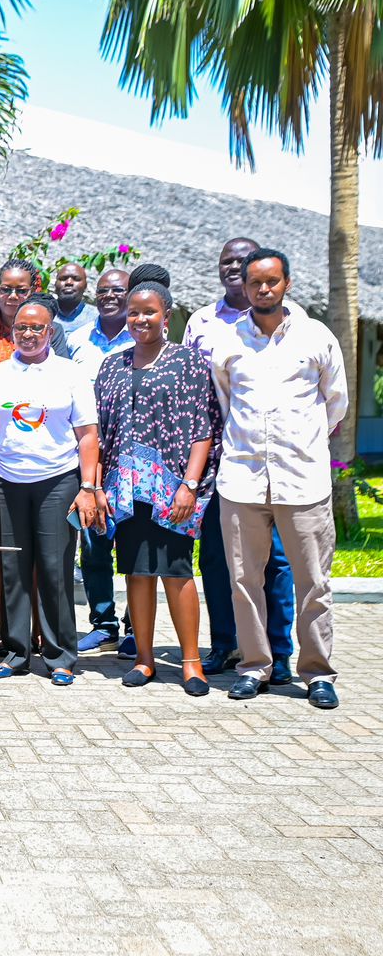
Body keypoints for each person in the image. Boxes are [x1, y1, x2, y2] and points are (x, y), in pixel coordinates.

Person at [212, 248, 346, 709]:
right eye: (255, 283)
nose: (263, 289)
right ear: (244, 288)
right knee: (244, 581)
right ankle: (254, 667)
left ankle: (317, 673)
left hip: (302, 480)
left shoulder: (316, 337)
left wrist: (303, 443)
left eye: (272, 281)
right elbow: (226, 403)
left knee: (313, 581)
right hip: (243, 479)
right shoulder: (228, 341)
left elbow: (336, 403)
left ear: (287, 283)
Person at [93, 274, 219, 696]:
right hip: (124, 490)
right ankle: (144, 660)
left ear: (166, 315)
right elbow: (100, 431)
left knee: (178, 571)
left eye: (149, 312)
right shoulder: (113, 364)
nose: (140, 319)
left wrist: (189, 485)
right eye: (133, 312)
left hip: (172, 489)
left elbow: (203, 428)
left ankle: (191, 662)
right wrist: (97, 487)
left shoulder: (187, 361)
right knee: (136, 571)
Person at [184, 237, 297, 679]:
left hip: (274, 460)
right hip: (213, 458)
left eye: (242, 263)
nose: (234, 269)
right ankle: (226, 645)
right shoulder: (202, 322)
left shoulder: (291, 323)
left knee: (277, 562)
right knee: (215, 556)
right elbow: (198, 389)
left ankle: (279, 652)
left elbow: (331, 401)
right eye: (226, 262)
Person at [0, 301, 100, 685]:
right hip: (6, 481)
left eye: (38, 328)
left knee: (54, 567)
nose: (28, 334)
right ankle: (15, 650)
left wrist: (88, 487)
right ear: (12, 331)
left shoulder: (70, 373)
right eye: (22, 328)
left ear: (51, 331)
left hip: (57, 480)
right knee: (11, 568)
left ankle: (60, 653)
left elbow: (88, 436)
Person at [72, 266, 134, 657]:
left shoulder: (148, 336)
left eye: (119, 290)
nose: (111, 296)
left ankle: (134, 628)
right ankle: (104, 624)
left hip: (134, 459)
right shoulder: (78, 341)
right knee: (93, 546)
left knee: (133, 547)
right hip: (91, 457)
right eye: (104, 290)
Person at [0, 262, 77, 364]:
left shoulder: (49, 331)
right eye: (5, 289)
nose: (13, 296)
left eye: (21, 291)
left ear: (33, 291)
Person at [51, 262, 98, 341]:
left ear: (85, 285)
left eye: (76, 279)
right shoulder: (42, 312)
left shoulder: (97, 318)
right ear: (55, 284)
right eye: (63, 278)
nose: (69, 282)